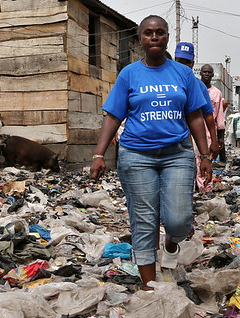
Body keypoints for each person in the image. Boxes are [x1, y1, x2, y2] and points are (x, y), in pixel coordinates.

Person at [90, 16, 211, 290]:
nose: (154, 37)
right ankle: (149, 286)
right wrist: (99, 154)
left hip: (176, 154)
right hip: (136, 156)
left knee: (178, 220)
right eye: (148, 33)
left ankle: (171, 242)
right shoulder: (129, 74)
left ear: (167, 37)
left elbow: (194, 116)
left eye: (159, 32)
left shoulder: (183, 75)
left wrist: (204, 156)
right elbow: (113, 116)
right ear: (140, 39)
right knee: (144, 221)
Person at [174, 43, 219, 193]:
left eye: (187, 62)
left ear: (192, 64)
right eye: (180, 61)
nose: (183, 66)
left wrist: (214, 142)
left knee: (188, 173)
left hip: (188, 139)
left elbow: (208, 116)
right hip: (167, 137)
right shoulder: (166, 82)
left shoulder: (198, 86)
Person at [199, 64, 228, 165]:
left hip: (210, 134)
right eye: (205, 72)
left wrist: (220, 138)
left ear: (212, 75)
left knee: (206, 161)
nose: (207, 74)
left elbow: (219, 118)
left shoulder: (217, 93)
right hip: (194, 131)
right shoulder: (194, 89)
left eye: (209, 72)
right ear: (200, 73)